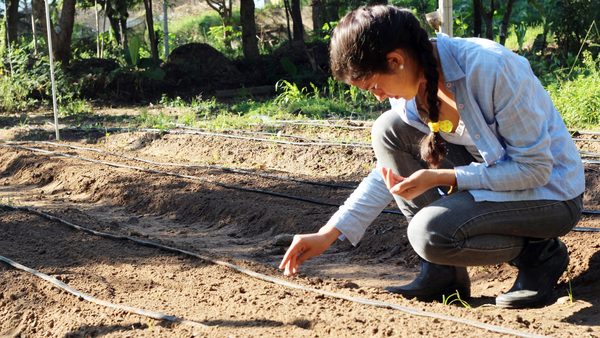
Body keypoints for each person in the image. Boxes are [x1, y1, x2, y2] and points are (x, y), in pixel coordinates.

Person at [278, 4, 585, 308]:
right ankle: (443, 274)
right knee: (387, 130)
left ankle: (539, 255)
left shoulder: (490, 68)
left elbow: (534, 169)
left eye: (374, 86)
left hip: (550, 195)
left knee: (430, 233)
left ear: (395, 60)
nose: (378, 96)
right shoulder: (409, 93)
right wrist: (328, 234)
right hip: (496, 180)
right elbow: (389, 174)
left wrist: (446, 177)